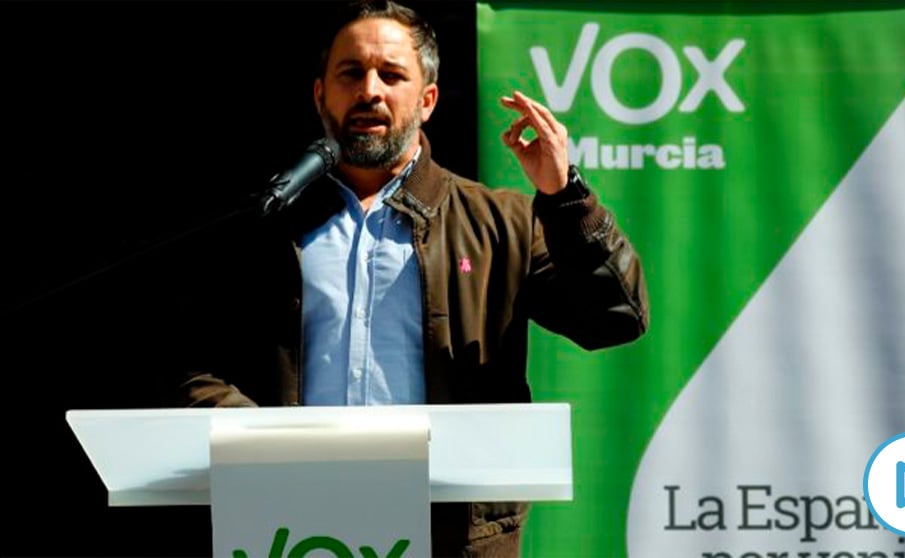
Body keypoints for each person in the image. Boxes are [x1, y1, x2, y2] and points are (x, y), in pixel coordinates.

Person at [174, 0, 649, 555]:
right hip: (291, 523)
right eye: (350, 73)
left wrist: (565, 195)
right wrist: (263, 442)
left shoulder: (503, 222)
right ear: (319, 95)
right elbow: (191, 366)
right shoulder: (267, 225)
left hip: (450, 534)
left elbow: (614, 318)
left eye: (392, 75)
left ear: (427, 101)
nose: (370, 90)